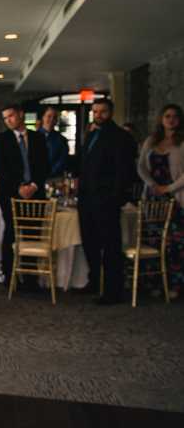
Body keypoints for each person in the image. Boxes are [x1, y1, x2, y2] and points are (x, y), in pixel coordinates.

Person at [78, 98, 137, 304]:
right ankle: (94, 281)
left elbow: (124, 171)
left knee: (110, 247)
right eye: (95, 112)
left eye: (102, 111)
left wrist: (115, 199)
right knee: (90, 244)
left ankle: (113, 291)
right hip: (87, 199)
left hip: (106, 200)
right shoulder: (92, 135)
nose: (98, 115)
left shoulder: (121, 137)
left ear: (111, 112)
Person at [0, 103, 49, 288]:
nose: (8, 120)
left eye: (11, 116)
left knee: (32, 234)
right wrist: (20, 186)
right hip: (10, 193)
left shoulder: (38, 138)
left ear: (21, 115)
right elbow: (0, 167)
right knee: (11, 233)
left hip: (35, 194)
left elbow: (45, 165)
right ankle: (10, 276)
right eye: (5, 118)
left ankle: (31, 279)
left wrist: (33, 185)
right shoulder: (2, 139)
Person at [136, 103, 184, 299]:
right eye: (167, 116)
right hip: (154, 198)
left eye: (174, 116)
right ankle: (155, 282)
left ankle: (175, 285)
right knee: (154, 241)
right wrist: (153, 184)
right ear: (161, 119)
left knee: (174, 243)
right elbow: (141, 167)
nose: (171, 119)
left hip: (175, 198)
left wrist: (169, 188)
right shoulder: (151, 141)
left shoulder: (181, 142)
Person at [38, 107, 69, 179]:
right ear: (43, 117)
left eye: (54, 117)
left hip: (55, 176)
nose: (51, 119)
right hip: (37, 177)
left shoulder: (61, 139)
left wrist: (51, 172)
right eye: (49, 116)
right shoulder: (33, 137)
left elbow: (63, 159)